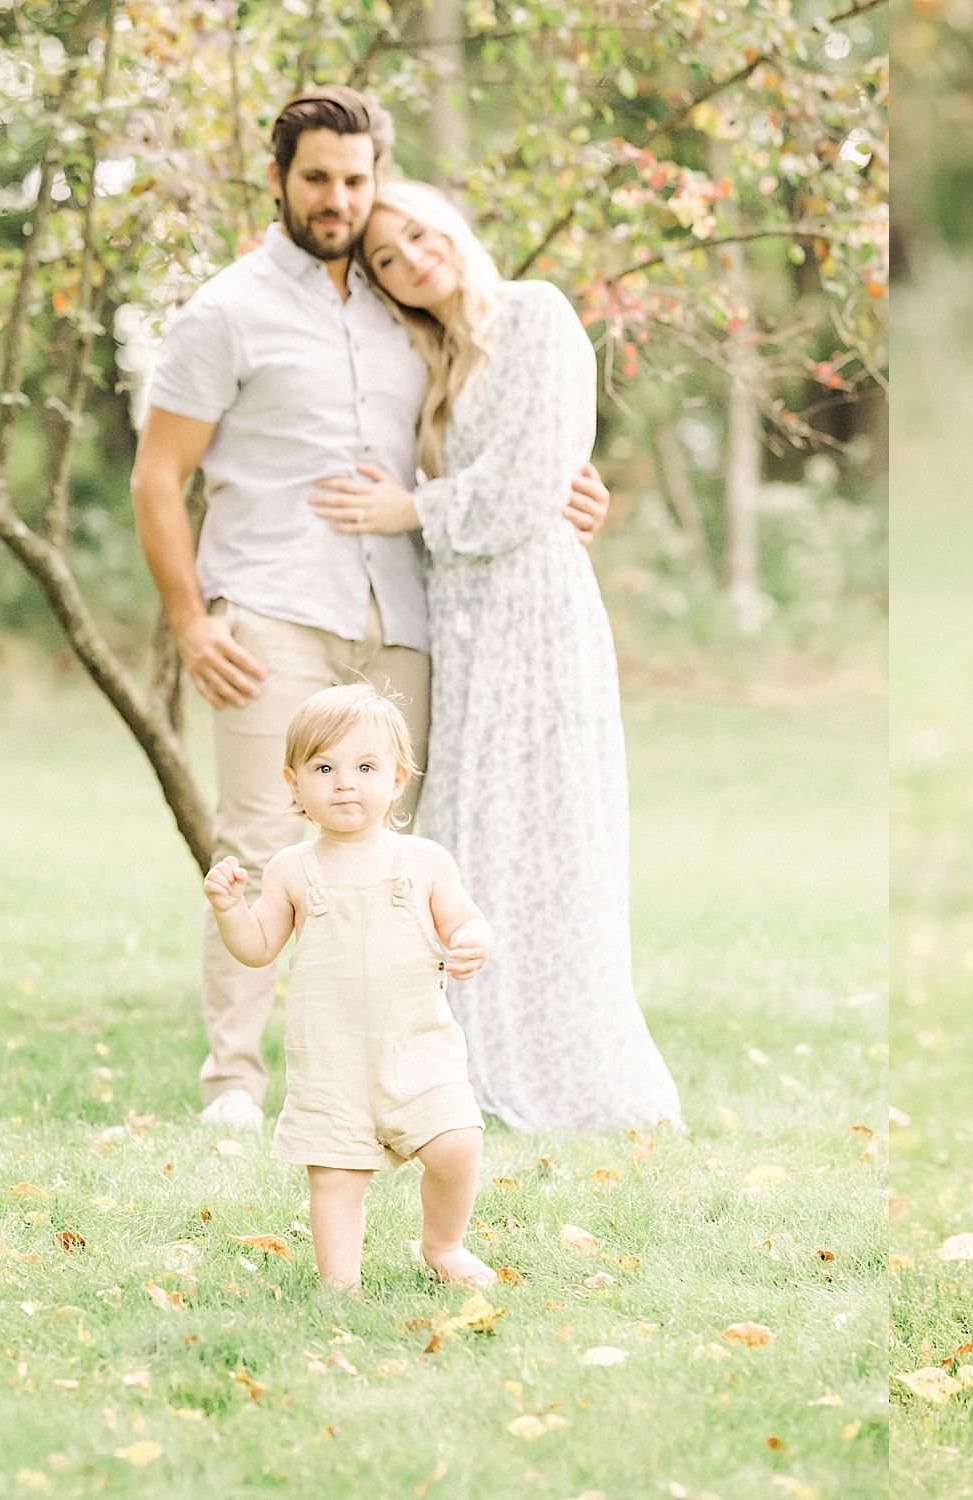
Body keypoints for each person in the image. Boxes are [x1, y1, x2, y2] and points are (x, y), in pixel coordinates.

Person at [131, 87, 608, 1131]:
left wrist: (568, 484)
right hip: (274, 611)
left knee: (394, 858)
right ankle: (235, 1084)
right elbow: (157, 475)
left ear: (377, 181)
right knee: (264, 843)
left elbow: (486, 437)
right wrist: (190, 620)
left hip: (405, 621)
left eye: (356, 179)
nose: (338, 199)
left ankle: (392, 1067)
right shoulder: (226, 312)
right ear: (278, 182)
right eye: (317, 179)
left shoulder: (407, 312)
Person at [303, 179, 682, 1133]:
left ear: (452, 228)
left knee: (550, 839)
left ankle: (571, 1069)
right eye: (386, 259)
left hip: (535, 618)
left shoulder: (536, 316)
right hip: (464, 630)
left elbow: (524, 489)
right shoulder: (436, 361)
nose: (408, 260)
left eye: (418, 236)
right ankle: (452, 1064)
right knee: (473, 839)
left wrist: (410, 508)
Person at [203, 683, 496, 1288]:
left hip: (418, 1048)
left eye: (365, 767)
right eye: (324, 768)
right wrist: (231, 909)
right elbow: (258, 949)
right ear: (294, 784)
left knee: (458, 1145)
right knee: (336, 1179)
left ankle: (443, 1245)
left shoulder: (425, 861)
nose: (344, 783)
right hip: (332, 1060)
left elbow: (464, 919)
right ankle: (340, 1284)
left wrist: (473, 940)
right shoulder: (291, 870)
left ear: (396, 781)